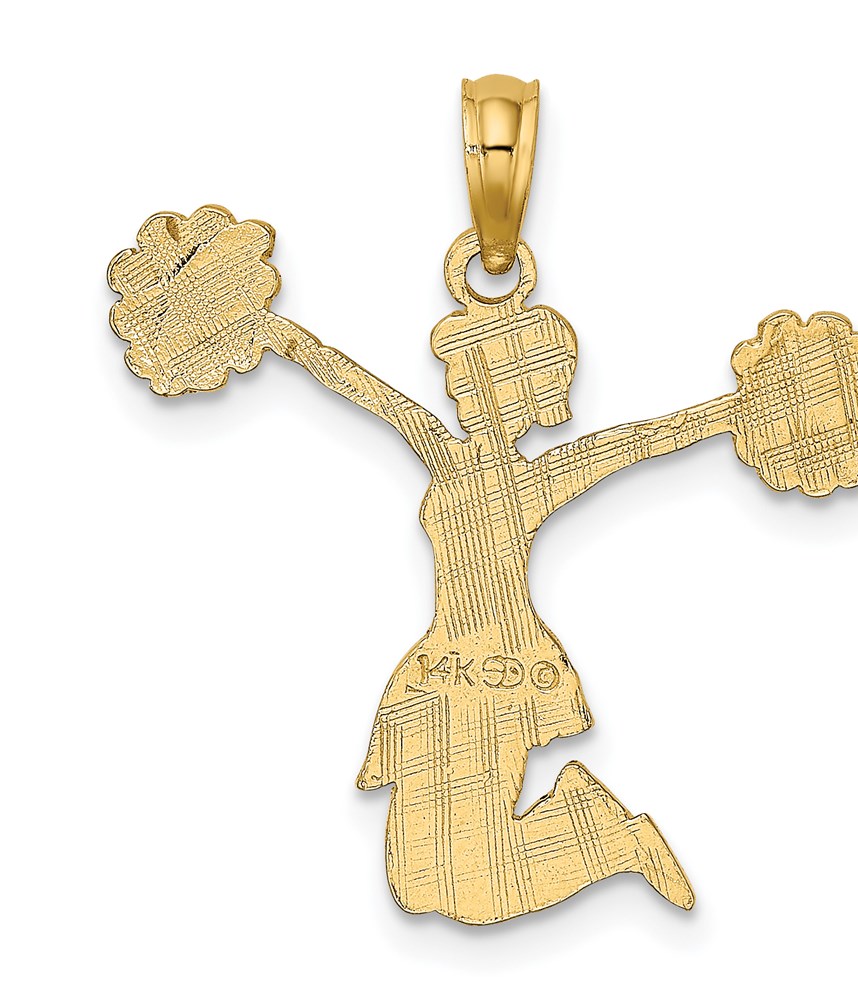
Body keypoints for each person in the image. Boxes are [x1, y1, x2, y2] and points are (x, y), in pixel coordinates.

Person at [264, 233, 733, 923]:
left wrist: (732, 412)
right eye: (456, 379)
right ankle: (584, 820)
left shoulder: (538, 479)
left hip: (503, 676)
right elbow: (359, 384)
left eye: (468, 377)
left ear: (512, 388)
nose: (456, 392)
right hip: (437, 671)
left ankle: (615, 842)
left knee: (466, 890)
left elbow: (643, 439)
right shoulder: (444, 455)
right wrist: (277, 334)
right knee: (416, 881)